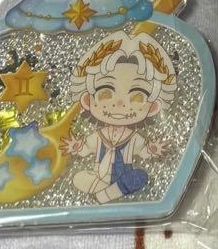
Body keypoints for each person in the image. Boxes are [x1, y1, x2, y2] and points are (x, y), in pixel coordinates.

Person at [62, 32, 176, 204]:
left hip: (124, 178)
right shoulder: (99, 136)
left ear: (153, 107)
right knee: (78, 177)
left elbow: (143, 152)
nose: (120, 104)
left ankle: (105, 195)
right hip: (97, 176)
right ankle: (107, 192)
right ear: (87, 100)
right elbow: (86, 149)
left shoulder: (133, 138)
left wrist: (152, 150)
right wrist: (77, 147)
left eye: (137, 97)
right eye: (106, 93)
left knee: (140, 176)